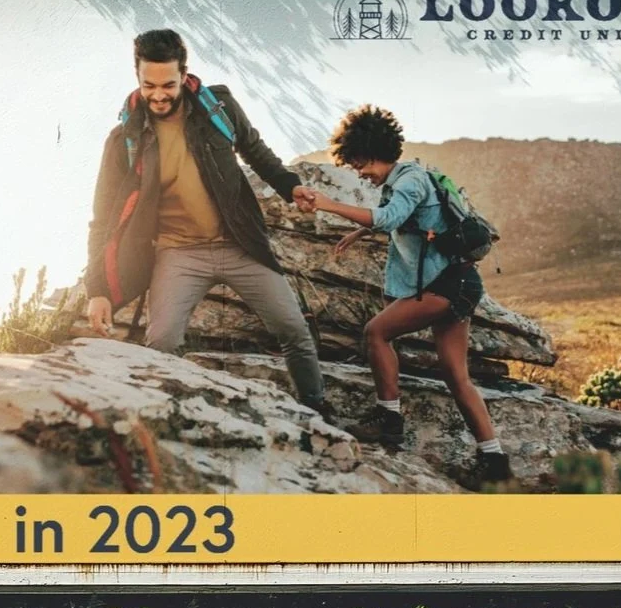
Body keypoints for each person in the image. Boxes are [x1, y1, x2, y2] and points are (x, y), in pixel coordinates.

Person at [82, 28, 330, 418]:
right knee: (161, 342)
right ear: (137, 77)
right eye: (149, 85)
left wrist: (291, 186)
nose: (158, 95)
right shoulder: (123, 139)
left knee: (294, 331)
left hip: (238, 243)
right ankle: (163, 418)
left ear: (184, 74)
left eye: (168, 84)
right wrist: (97, 289)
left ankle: (317, 410)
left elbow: (255, 150)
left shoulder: (219, 108)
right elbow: (102, 218)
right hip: (178, 253)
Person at [298, 104, 509, 481]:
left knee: (376, 332)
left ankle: (389, 419)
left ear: (371, 151)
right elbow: (399, 216)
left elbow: (389, 218)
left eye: (359, 164)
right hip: (460, 281)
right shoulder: (403, 179)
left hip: (447, 284)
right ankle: (495, 464)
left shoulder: (410, 180)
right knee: (455, 375)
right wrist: (359, 232)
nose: (359, 172)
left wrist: (329, 205)